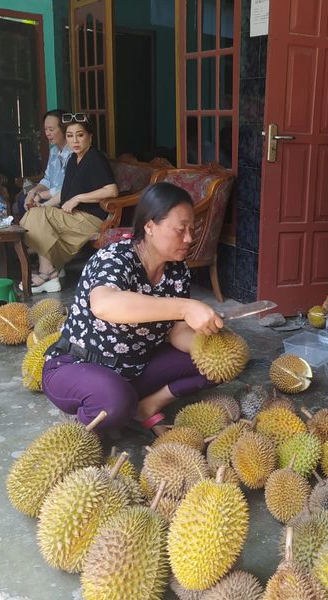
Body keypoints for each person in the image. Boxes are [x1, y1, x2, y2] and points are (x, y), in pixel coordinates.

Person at [41, 182, 223, 434]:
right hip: (77, 365)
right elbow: (105, 304)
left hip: (135, 368)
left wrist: (212, 344)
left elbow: (177, 332)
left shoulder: (176, 269)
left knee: (219, 363)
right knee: (114, 403)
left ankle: (146, 407)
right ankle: (102, 408)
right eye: (180, 229)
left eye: (192, 230)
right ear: (149, 226)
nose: (189, 238)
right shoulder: (115, 257)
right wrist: (185, 307)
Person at [20, 113, 118, 294]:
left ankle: (48, 272)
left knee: (37, 220)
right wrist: (44, 205)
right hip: (73, 216)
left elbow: (111, 190)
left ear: (90, 137)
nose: (75, 141)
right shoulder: (73, 159)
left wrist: (78, 198)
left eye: (80, 135)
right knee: (35, 216)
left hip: (91, 218)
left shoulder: (95, 158)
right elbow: (64, 193)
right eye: (70, 136)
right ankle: (50, 271)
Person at [13, 109, 73, 218]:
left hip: (61, 199)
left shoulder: (73, 154)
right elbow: (47, 180)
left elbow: (66, 188)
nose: (47, 133)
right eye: (45, 129)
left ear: (64, 130)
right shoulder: (54, 151)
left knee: (27, 200)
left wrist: (40, 195)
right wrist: (33, 192)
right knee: (25, 192)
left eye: (51, 129)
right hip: (48, 194)